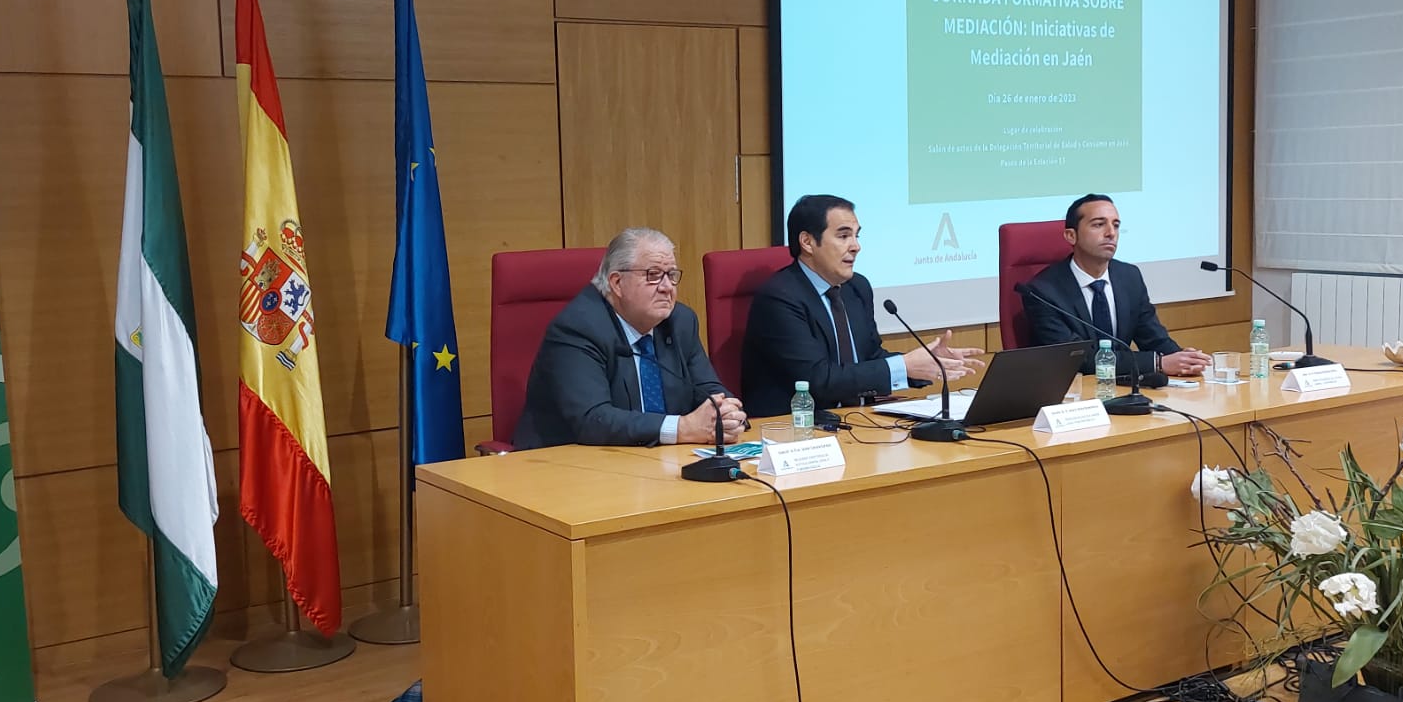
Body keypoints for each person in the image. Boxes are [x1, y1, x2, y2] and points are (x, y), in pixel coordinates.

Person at [741, 194, 981, 417]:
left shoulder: (856, 287)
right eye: (843, 236)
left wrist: (926, 363)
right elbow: (817, 379)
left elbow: (870, 357)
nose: (856, 246)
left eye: (857, 236)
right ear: (807, 242)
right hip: (796, 427)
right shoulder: (779, 298)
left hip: (857, 420)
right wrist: (903, 366)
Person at [513, 228, 746, 450]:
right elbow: (592, 419)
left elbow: (707, 388)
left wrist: (726, 413)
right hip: (569, 463)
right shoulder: (577, 328)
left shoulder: (680, 321)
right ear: (617, 283)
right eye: (653, 275)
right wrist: (681, 428)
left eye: (671, 275)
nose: (667, 287)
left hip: (657, 459)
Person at [1021, 194, 1212, 377]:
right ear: (1071, 236)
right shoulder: (1042, 292)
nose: (1111, 233)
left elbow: (1153, 338)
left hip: (1122, 385)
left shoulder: (1129, 277)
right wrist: (1157, 363)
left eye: (1116, 225)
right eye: (1099, 224)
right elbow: (1078, 359)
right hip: (1075, 389)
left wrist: (1185, 360)